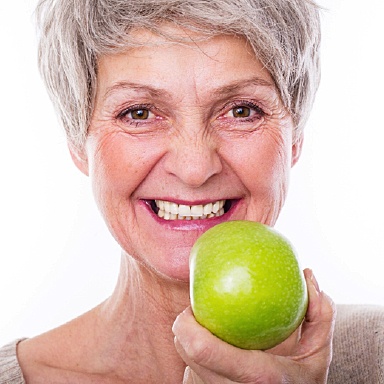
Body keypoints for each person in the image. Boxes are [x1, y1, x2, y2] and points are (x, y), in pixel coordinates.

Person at [1, 0, 383, 383]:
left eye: (241, 111)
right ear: (77, 140)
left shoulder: (375, 357)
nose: (195, 168)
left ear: (295, 137)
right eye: (139, 113)